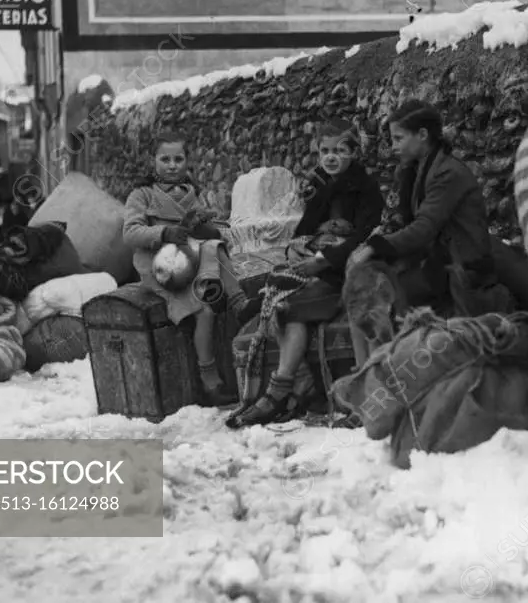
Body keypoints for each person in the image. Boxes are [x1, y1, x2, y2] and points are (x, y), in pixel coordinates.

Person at [227, 122, 385, 428]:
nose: (331, 157)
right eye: (325, 151)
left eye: (340, 150)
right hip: (320, 264)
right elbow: (302, 233)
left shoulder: (367, 189)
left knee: (290, 307)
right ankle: (288, 387)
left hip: (348, 271)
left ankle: (286, 390)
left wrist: (325, 258)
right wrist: (314, 242)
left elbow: (365, 235)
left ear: (354, 153)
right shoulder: (321, 189)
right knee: (281, 303)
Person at [123, 132, 261, 406]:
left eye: (178, 159)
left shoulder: (190, 193)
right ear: (153, 162)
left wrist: (205, 224)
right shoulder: (142, 195)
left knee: (214, 245)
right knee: (205, 309)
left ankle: (238, 302)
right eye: (165, 159)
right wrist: (163, 233)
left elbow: (199, 231)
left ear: (187, 161)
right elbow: (130, 233)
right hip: (161, 268)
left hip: (191, 259)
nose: (172, 165)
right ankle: (209, 380)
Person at [348, 99, 495, 315]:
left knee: (375, 299)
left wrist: (374, 246)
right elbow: (397, 219)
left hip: (459, 268)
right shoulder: (413, 171)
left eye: (399, 138)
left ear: (423, 135)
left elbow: (423, 229)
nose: (393, 147)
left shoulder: (447, 173)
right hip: (435, 262)